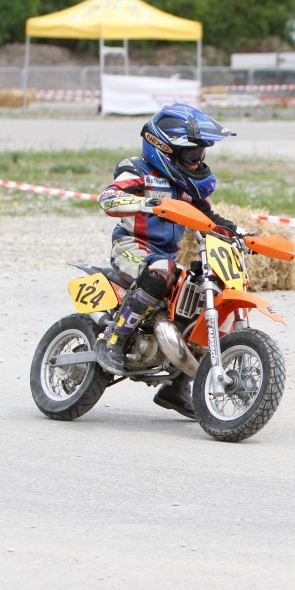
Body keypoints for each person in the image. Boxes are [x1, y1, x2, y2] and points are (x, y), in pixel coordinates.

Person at [93, 103, 239, 418]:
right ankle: (113, 338)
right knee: (162, 270)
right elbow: (109, 197)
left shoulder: (187, 187)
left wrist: (239, 233)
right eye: (191, 155)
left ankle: (179, 385)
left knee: (204, 294)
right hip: (132, 247)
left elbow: (210, 219)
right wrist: (147, 202)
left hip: (168, 258)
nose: (198, 160)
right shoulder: (136, 169)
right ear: (165, 148)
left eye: (201, 154)